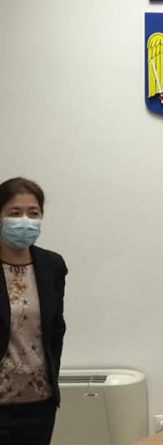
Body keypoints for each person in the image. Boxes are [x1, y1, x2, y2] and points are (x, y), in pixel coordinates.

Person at [0, 178, 67, 444]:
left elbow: (56, 329)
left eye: (33, 213)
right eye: (15, 213)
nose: (25, 220)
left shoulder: (52, 265)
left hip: (39, 401)